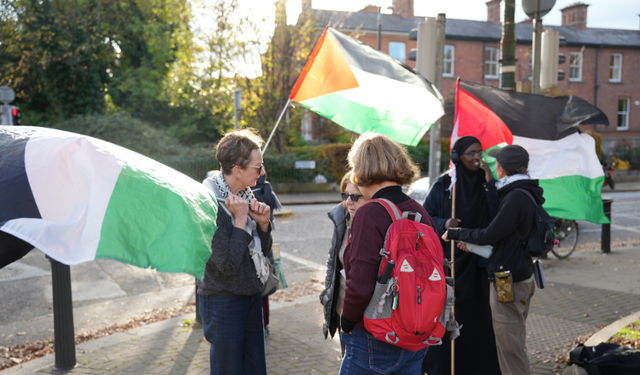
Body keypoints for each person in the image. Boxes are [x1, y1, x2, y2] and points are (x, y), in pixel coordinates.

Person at [339, 133, 437, 375]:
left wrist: (346, 322)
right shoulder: (419, 211)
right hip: (416, 332)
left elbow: (360, 285)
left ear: (361, 168)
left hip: (374, 335)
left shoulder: (369, 213)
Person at [442, 145, 541, 375]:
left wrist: (456, 233)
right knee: (514, 341)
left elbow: (490, 234)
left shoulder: (515, 197)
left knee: (510, 348)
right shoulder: (526, 190)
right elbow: (506, 240)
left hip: (508, 281)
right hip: (522, 275)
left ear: (502, 169)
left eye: (497, 165)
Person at [422, 136, 501, 375]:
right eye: (471, 153)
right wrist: (443, 222)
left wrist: (489, 185)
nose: (477, 157)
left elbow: (498, 216)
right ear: (457, 157)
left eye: (480, 152)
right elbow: (426, 218)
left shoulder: (488, 183)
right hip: (450, 266)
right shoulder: (444, 184)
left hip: (478, 266)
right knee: (448, 315)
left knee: (478, 319)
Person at [198, 128, 272, 375]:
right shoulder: (210, 202)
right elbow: (227, 265)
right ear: (238, 170)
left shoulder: (244, 195)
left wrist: (262, 225)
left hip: (251, 294)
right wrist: (241, 220)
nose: (262, 172)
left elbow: (263, 253)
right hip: (223, 300)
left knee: (254, 369)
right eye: (258, 167)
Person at [320, 171, 368, 356]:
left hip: (365, 318)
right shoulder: (343, 221)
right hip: (342, 311)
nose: (349, 202)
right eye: (345, 195)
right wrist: (326, 296)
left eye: (355, 196)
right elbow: (333, 262)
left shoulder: (375, 227)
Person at [253, 172, 282, 336]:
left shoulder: (263, 189)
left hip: (262, 246)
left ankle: (264, 325)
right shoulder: (263, 188)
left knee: (262, 289)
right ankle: (263, 325)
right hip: (260, 245)